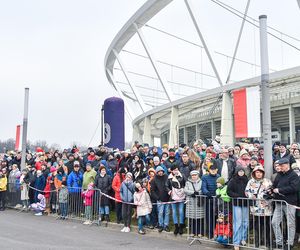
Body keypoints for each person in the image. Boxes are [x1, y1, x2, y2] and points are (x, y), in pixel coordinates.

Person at [272, 158, 300, 249]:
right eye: (279, 165)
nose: (280, 167)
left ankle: (290, 243)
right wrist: (270, 189)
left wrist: (280, 190)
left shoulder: (294, 175)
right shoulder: (279, 175)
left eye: (281, 165)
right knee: (274, 222)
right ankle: (279, 242)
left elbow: (294, 188)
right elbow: (274, 185)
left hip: (290, 203)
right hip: (279, 203)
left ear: (287, 165)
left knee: (290, 224)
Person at [245, 165, 273, 248]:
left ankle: (268, 242)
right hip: (256, 208)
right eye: (257, 172)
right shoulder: (250, 182)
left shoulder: (267, 181)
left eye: (260, 172)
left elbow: (271, 192)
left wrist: (266, 198)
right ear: (254, 173)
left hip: (266, 208)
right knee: (257, 225)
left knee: (267, 225)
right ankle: (257, 242)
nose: (259, 174)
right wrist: (251, 196)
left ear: (263, 173)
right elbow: (246, 191)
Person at [227, 166, 249, 250]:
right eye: (239, 171)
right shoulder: (233, 180)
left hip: (245, 204)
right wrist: (238, 196)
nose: (241, 173)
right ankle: (236, 242)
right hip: (237, 204)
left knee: (245, 222)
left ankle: (243, 238)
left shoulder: (246, 180)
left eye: (242, 171)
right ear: (237, 172)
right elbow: (229, 192)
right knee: (238, 223)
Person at [166, 164, 186, 235]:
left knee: (181, 211)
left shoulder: (182, 176)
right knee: (174, 212)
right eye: (174, 170)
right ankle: (176, 226)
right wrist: (169, 191)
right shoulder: (169, 178)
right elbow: (166, 185)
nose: (176, 171)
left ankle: (181, 226)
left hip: (181, 196)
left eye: (177, 169)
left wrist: (183, 190)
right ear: (172, 170)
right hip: (173, 197)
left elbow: (185, 183)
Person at [184, 170, 205, 237]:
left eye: (195, 175)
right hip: (191, 202)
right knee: (192, 218)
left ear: (198, 175)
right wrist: (192, 193)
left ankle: (200, 232)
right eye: (193, 175)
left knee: (200, 218)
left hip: (199, 202)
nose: (194, 176)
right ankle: (193, 232)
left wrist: (198, 193)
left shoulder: (201, 182)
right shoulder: (188, 182)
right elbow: (185, 190)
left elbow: (203, 189)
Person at [201, 163, 219, 239]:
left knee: (217, 217)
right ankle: (210, 233)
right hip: (209, 199)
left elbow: (221, 186)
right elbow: (203, 187)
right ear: (209, 170)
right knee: (209, 217)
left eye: (214, 169)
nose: (213, 171)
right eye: (212, 169)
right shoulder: (204, 177)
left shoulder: (218, 176)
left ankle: (217, 233)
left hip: (217, 200)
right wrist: (207, 193)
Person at [150, 166, 170, 232]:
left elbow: (169, 186)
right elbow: (152, 191)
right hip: (159, 199)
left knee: (167, 212)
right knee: (160, 213)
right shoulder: (154, 180)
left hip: (167, 198)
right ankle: (161, 225)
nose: (160, 172)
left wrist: (169, 195)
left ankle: (166, 225)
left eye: (161, 171)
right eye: (159, 171)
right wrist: (157, 198)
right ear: (157, 172)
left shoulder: (166, 177)